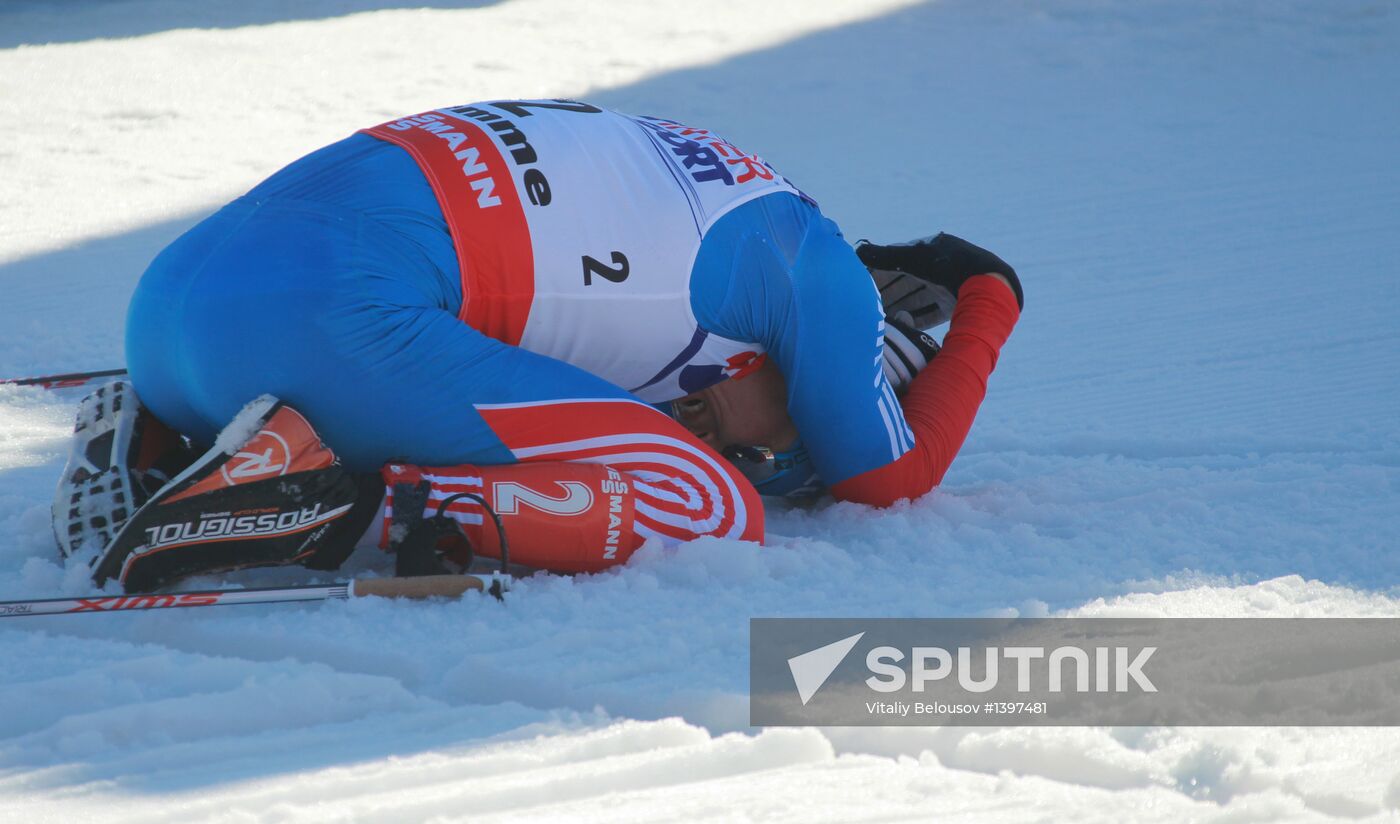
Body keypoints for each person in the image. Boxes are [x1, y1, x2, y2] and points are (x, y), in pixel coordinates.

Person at [53, 99, 1022, 593]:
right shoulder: (827, 286)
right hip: (319, 325)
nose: (753, 454)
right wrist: (989, 297)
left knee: (548, 385)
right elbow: (893, 481)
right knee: (708, 503)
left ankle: (147, 432)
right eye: (789, 443)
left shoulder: (736, 195)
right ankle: (326, 504)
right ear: (819, 369)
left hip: (167, 314)